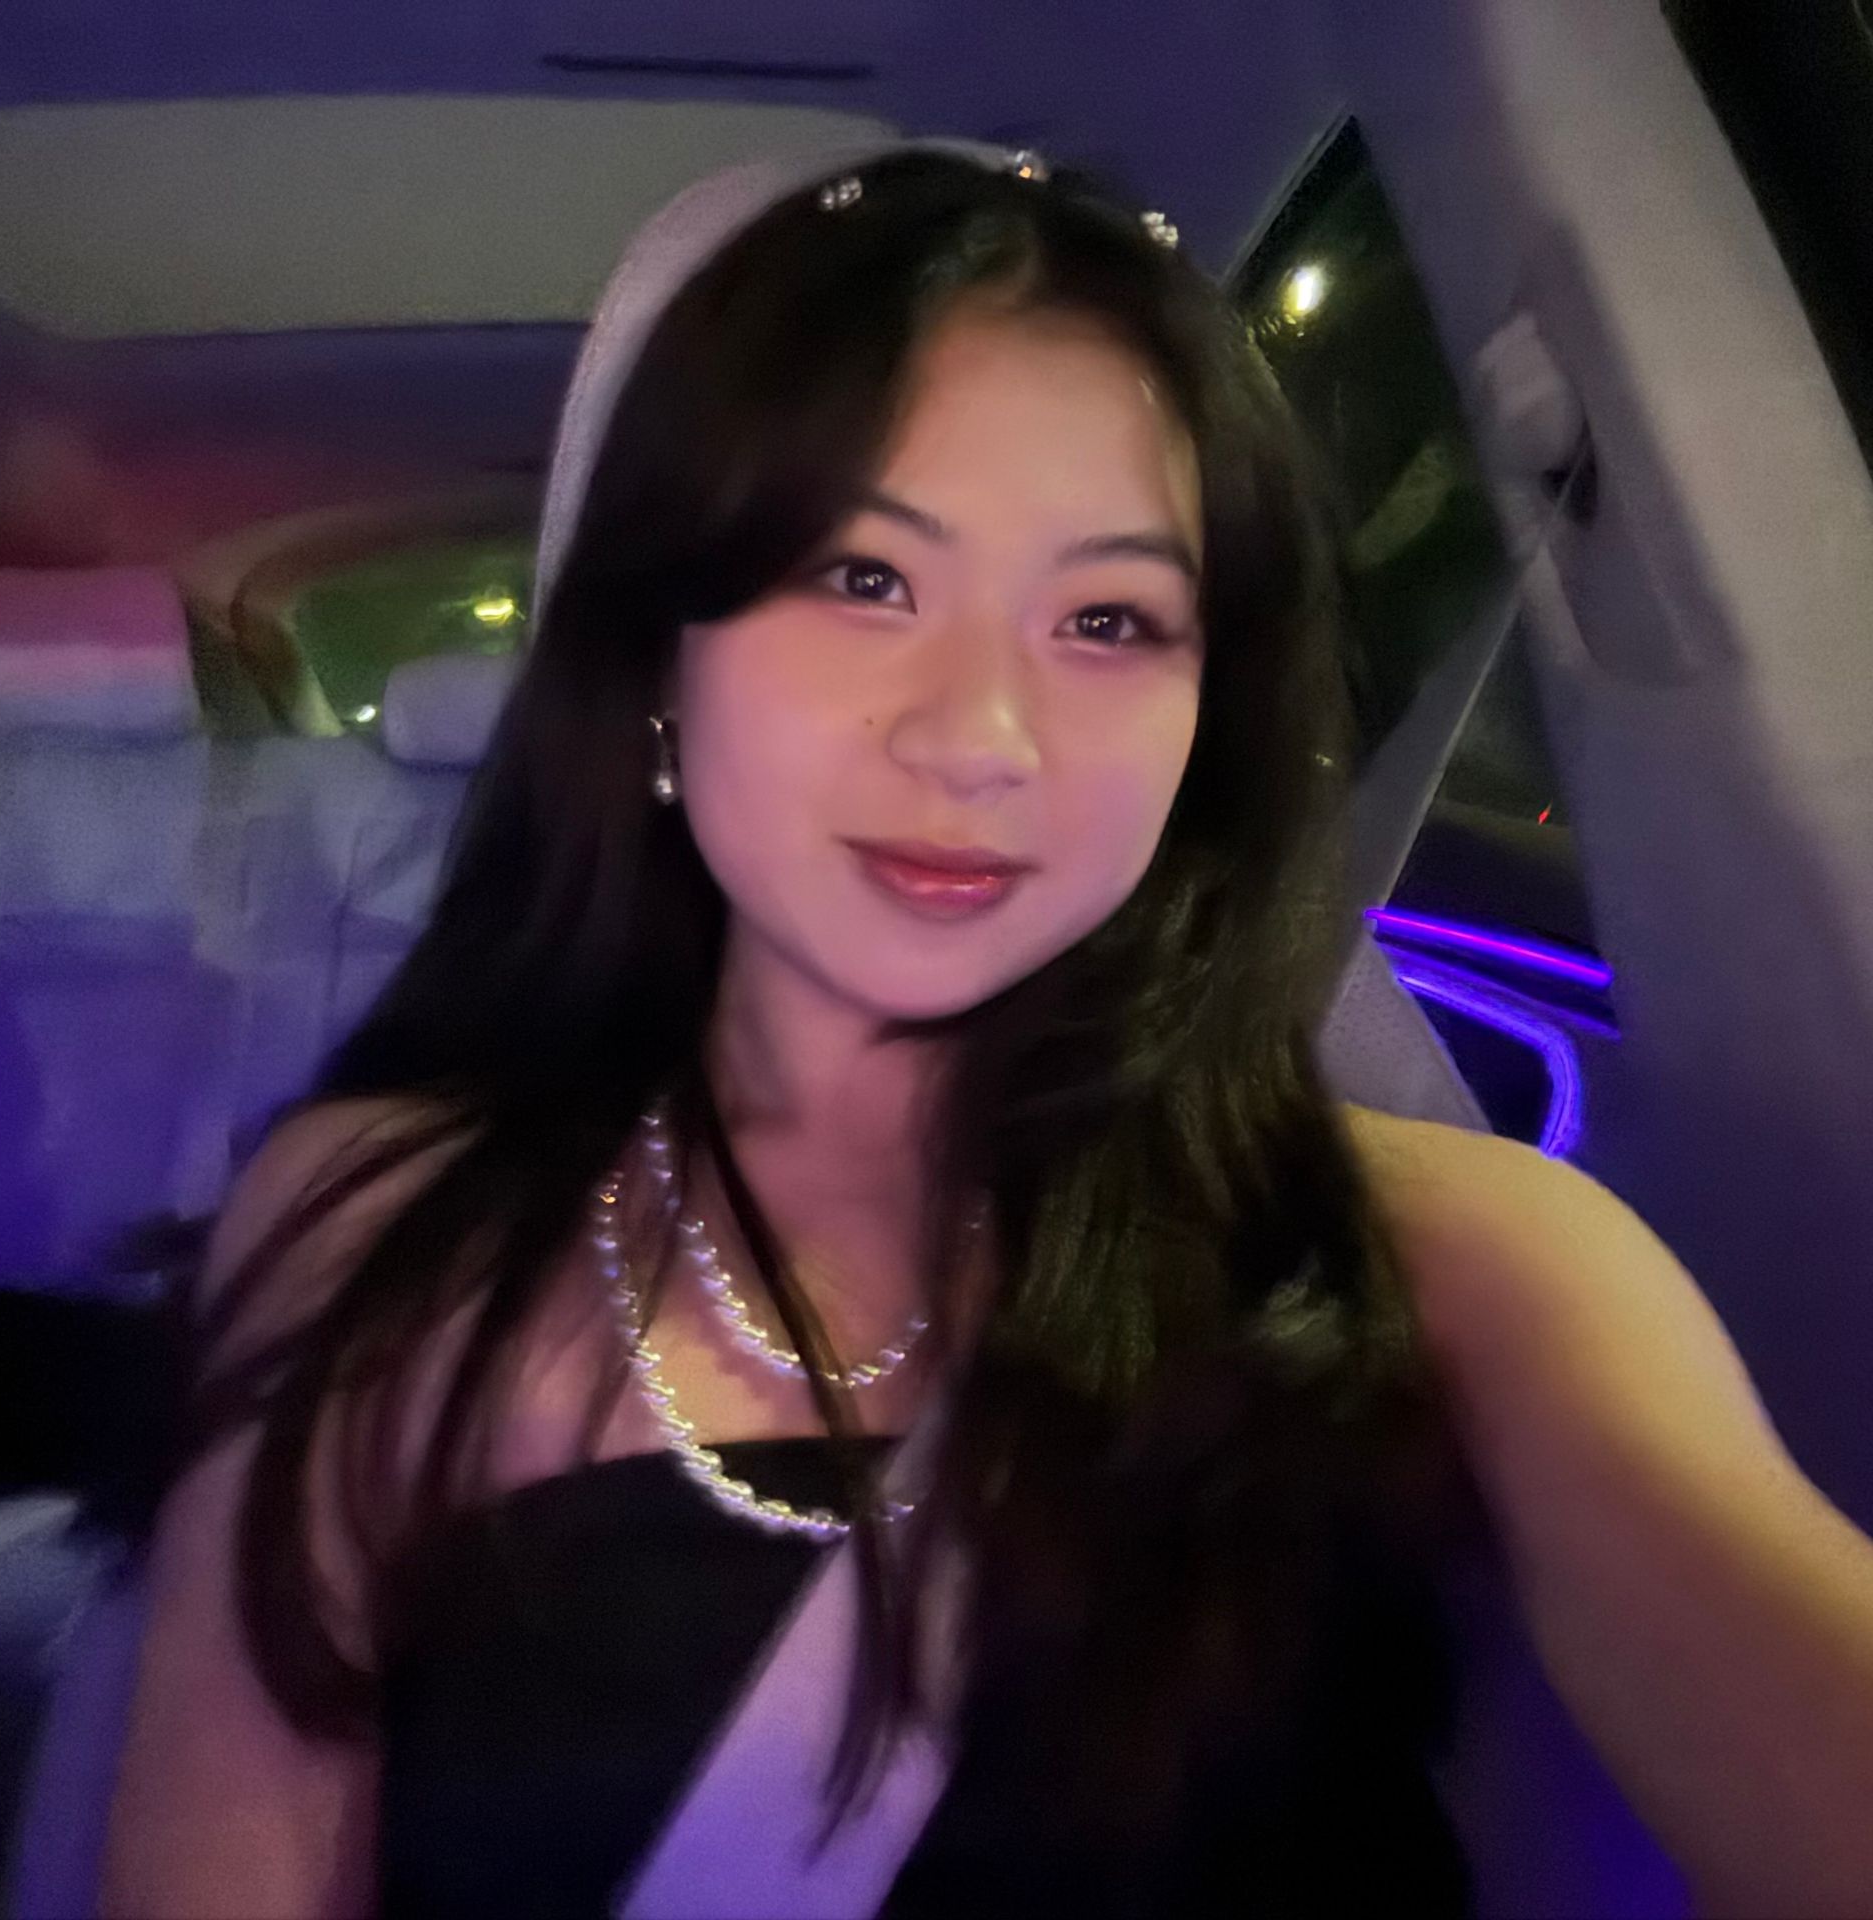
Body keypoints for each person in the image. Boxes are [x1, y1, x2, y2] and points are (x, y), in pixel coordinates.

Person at [99, 142, 1873, 1919]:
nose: (982, 740)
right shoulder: (384, 1225)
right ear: (655, 659)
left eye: (1109, 620)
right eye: (864, 579)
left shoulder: (1459, 1256)